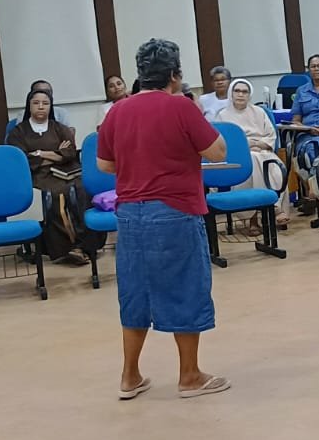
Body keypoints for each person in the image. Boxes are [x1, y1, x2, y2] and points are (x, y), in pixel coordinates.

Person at [96, 38, 230, 400]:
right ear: (174, 75)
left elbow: (104, 164)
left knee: (135, 291)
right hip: (175, 210)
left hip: (130, 214)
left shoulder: (118, 111)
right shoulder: (181, 107)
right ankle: (190, 376)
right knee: (185, 287)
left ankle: (130, 376)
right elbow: (218, 151)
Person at [7, 87, 103, 265]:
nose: (41, 107)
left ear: (51, 106)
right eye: (36, 103)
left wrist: (40, 153)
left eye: (45, 103)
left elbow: (69, 153)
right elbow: (22, 159)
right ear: (29, 106)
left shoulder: (59, 128)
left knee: (84, 190)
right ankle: (69, 247)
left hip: (70, 171)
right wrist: (56, 154)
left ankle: (89, 245)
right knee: (57, 195)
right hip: (40, 175)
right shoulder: (18, 133)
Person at [219, 78, 291, 235]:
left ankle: (269, 210)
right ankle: (262, 214)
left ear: (249, 95)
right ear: (231, 93)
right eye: (237, 91)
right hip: (238, 157)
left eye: (244, 92)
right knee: (253, 160)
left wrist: (258, 144)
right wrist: (247, 146)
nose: (240, 94)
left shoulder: (259, 112)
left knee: (275, 167)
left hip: (263, 151)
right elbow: (223, 141)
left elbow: (271, 136)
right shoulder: (222, 116)